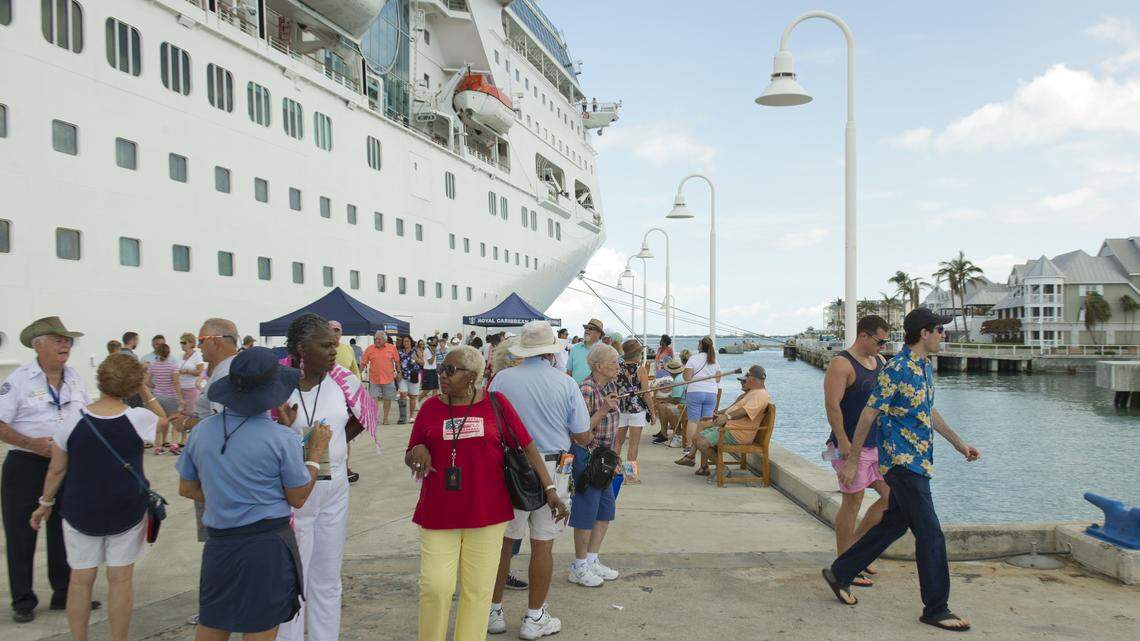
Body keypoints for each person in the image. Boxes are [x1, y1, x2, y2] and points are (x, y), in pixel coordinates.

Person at [823, 309, 981, 632]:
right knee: (931, 533)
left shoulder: (923, 367)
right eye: (939, 329)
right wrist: (851, 460)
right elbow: (869, 414)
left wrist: (959, 444)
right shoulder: (896, 368)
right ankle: (936, 607)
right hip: (901, 463)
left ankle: (841, 571)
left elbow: (928, 411)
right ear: (923, 333)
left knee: (893, 524)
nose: (943, 335)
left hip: (919, 461)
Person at [405, 346, 563, 641]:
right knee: (435, 586)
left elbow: (528, 447)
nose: (442, 375)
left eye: (450, 370)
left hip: (487, 513)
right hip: (439, 512)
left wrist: (550, 489)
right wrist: (417, 450)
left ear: (472, 376)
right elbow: (411, 450)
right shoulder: (430, 407)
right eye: (441, 369)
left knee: (478, 591)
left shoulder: (496, 404)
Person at [177, 347, 332, 641]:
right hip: (265, 546)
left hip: (220, 543)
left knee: (213, 624)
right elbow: (297, 496)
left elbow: (187, 487)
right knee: (260, 628)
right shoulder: (281, 438)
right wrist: (314, 453)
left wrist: (229, 495)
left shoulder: (202, 431)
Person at [30, 354, 163, 641]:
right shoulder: (139, 419)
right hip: (126, 508)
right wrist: (145, 390)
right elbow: (164, 424)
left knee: (80, 580)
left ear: (100, 380)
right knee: (120, 580)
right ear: (132, 384)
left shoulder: (71, 420)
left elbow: (57, 469)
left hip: (80, 508)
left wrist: (45, 504)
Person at [487, 322, 588, 638]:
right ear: (550, 351)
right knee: (543, 544)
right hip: (553, 467)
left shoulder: (502, 379)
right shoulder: (565, 383)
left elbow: (490, 423)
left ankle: (493, 612)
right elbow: (582, 434)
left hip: (510, 467)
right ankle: (534, 617)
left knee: (504, 543)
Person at [0, 317, 95, 623]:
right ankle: (23, 600)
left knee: (64, 531)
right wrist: (31, 444)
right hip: (26, 465)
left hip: (67, 464)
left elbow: (87, 416)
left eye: (68, 340)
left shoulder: (76, 378)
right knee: (21, 533)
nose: (65, 344)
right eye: (58, 339)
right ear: (38, 345)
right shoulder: (17, 381)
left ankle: (64, 592)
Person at [275, 316, 355, 641]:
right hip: (294, 494)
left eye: (334, 344)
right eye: (325, 345)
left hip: (334, 490)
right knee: (293, 579)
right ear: (301, 349)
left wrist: (333, 449)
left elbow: (360, 416)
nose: (333, 351)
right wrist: (284, 429)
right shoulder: (278, 386)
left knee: (327, 578)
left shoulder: (343, 381)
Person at [823, 315, 892, 587]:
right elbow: (832, 405)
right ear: (864, 335)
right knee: (853, 501)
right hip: (849, 446)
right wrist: (842, 442)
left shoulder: (881, 363)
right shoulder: (841, 364)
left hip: (877, 445)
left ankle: (856, 552)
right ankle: (845, 564)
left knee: (891, 498)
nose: (883, 346)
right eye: (880, 340)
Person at [569, 343, 623, 588]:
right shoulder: (587, 389)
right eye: (613, 362)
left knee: (604, 512)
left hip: (605, 458)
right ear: (598, 366)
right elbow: (579, 431)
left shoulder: (610, 385)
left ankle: (592, 560)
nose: (617, 366)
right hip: (588, 456)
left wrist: (614, 457)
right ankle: (579, 566)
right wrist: (602, 409)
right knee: (585, 512)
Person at [675, 365, 770, 476]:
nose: (745, 379)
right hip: (729, 429)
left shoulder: (761, 395)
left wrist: (727, 417)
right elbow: (736, 409)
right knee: (696, 437)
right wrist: (721, 415)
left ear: (753, 379)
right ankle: (700, 463)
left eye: (747, 376)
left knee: (701, 442)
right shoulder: (753, 392)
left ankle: (722, 468)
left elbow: (744, 411)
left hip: (736, 433)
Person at [613, 340, 653, 484]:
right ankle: (630, 476)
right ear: (637, 354)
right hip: (637, 411)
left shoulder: (617, 368)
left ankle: (614, 472)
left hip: (620, 409)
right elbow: (646, 394)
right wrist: (653, 413)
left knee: (617, 443)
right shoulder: (640, 369)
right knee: (633, 445)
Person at [682, 337, 722, 452]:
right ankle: (702, 445)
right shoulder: (715, 360)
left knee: (693, 420)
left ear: (700, 346)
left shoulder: (693, 359)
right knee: (705, 421)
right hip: (711, 393)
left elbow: (687, 378)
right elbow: (718, 379)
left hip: (695, 391)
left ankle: (689, 446)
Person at [144, 344, 183, 455]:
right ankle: (174, 445)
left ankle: (158, 447)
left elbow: (146, 381)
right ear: (168, 353)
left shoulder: (153, 365)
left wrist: (154, 386)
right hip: (171, 397)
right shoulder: (173, 366)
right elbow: (176, 382)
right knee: (175, 421)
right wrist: (180, 398)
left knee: (159, 421)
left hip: (158, 397)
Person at [361, 332, 400, 425]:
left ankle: (385, 418)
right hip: (374, 379)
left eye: (379, 339)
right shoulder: (369, 349)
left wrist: (399, 372)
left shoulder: (392, 348)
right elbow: (363, 363)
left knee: (387, 399)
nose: (377, 341)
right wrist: (359, 373)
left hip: (388, 378)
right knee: (373, 399)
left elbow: (397, 361)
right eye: (375, 339)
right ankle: (374, 418)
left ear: (385, 340)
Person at [177, 333, 206, 436]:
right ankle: (183, 440)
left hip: (191, 388)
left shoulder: (196, 355)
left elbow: (200, 371)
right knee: (182, 413)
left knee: (192, 414)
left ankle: (193, 436)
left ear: (191, 343)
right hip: (181, 388)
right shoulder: (180, 356)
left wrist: (187, 371)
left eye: (184, 343)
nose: (182, 345)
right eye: (181, 342)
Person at [652, 359, 686, 444]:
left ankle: (668, 434)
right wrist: (666, 400)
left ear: (671, 372)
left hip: (684, 407)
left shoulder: (678, 380)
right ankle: (663, 432)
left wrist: (665, 400)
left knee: (663, 406)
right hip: (685, 404)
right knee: (662, 405)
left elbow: (676, 400)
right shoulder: (681, 377)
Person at [566, 318, 604, 384]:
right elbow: (569, 372)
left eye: (591, 329)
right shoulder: (575, 348)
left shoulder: (604, 350)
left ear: (599, 333)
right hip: (575, 392)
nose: (587, 330)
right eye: (586, 328)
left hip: (596, 392)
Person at [398, 335, 423, 423]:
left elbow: (423, 363)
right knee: (403, 394)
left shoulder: (416, 350)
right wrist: (398, 372)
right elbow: (397, 363)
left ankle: (411, 416)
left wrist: (416, 360)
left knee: (413, 396)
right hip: (403, 376)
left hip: (414, 376)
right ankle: (402, 417)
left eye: (408, 341)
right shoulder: (400, 352)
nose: (406, 343)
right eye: (405, 341)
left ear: (411, 342)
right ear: (402, 343)